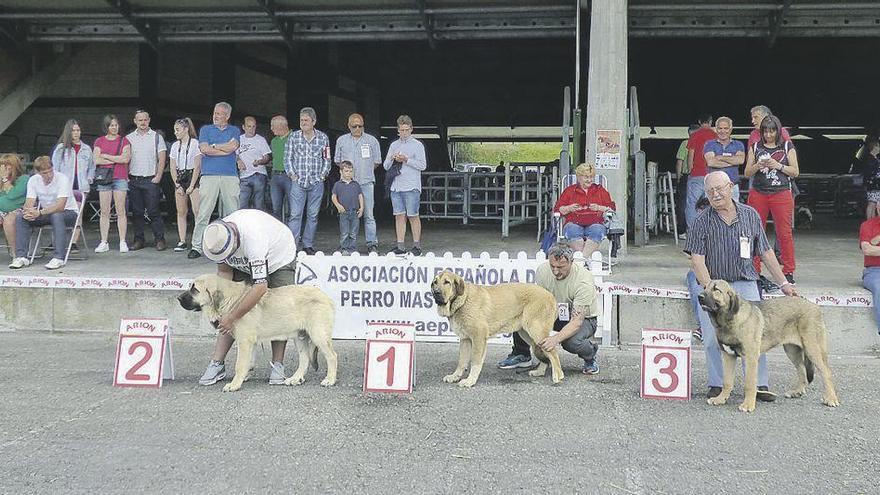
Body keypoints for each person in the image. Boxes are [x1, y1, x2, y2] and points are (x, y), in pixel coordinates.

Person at [685, 171, 796, 401]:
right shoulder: (700, 221)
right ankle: (717, 385)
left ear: (731, 187)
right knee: (711, 339)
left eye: (720, 189)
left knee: (754, 338)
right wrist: (711, 291)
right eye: (710, 191)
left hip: (745, 283)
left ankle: (759, 385)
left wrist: (783, 282)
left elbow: (765, 252)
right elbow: (697, 260)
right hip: (715, 286)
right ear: (706, 194)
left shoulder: (751, 215)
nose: (716, 194)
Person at [196, 209, 298, 386]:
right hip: (243, 265)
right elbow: (224, 273)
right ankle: (217, 363)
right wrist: (219, 309)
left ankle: (277, 365)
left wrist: (232, 317)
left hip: (278, 259)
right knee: (228, 311)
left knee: (278, 310)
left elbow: (260, 288)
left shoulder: (254, 238)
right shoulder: (216, 237)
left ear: (235, 240)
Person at [497, 243, 601, 375]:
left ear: (571, 262)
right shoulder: (542, 270)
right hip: (553, 311)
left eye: (561, 267)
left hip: (583, 318)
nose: (556, 271)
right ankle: (521, 354)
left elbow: (576, 322)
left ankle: (590, 355)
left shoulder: (583, 281)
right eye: (552, 266)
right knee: (522, 315)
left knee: (570, 342)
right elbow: (538, 301)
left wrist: (555, 339)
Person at [744, 114, 799, 284]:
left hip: (781, 193)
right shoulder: (755, 147)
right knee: (753, 232)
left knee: (784, 233)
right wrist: (757, 166)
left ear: (778, 131)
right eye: (765, 131)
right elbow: (746, 173)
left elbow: (795, 171)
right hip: (758, 193)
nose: (768, 135)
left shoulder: (787, 146)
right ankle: (754, 269)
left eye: (772, 131)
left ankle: (788, 270)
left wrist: (778, 166)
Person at [190, 102, 241, 259]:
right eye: (215, 113)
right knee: (204, 211)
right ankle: (197, 246)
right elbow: (204, 149)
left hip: (230, 175)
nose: (215, 116)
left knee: (233, 212)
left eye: (219, 114)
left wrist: (215, 147)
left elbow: (233, 147)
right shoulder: (205, 129)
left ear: (227, 116)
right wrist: (224, 150)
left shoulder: (235, 130)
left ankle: (234, 246)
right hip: (209, 175)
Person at [9, 156, 79, 270]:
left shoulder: (62, 179)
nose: (49, 175)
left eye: (50, 171)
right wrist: (28, 212)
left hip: (68, 212)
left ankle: (58, 258)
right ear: (38, 172)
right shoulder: (33, 180)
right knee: (21, 218)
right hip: (46, 213)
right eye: (45, 173)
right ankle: (21, 256)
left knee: (57, 216)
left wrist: (40, 213)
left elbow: (60, 206)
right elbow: (29, 202)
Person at [284, 107, 330, 255]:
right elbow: (287, 158)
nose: (303, 123)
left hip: (316, 182)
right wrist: (292, 175)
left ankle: (308, 245)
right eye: (301, 120)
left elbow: (327, 159)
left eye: (306, 120)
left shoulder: (323, 138)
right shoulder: (293, 137)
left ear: (313, 121)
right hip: (298, 182)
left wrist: (322, 176)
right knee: (295, 214)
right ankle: (292, 245)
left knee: (313, 215)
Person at [334, 113, 382, 252]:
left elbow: (377, 161)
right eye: (354, 126)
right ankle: (346, 245)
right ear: (348, 126)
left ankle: (372, 243)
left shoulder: (372, 141)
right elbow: (338, 161)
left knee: (368, 214)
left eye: (360, 126)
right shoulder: (341, 140)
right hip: (346, 185)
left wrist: (364, 170)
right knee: (345, 215)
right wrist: (348, 175)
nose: (357, 128)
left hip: (366, 182)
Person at [383, 114, 427, 256]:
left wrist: (406, 159)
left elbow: (423, 165)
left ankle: (416, 246)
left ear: (411, 129)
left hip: (411, 186)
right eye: (401, 130)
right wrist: (391, 157)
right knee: (399, 216)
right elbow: (385, 166)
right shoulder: (393, 145)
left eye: (407, 130)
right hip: (396, 186)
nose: (404, 133)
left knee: (413, 215)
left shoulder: (418, 145)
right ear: (397, 130)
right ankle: (400, 246)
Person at [126, 110, 167, 251]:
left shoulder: (156, 137)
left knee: (153, 211)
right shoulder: (129, 138)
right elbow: (126, 158)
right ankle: (139, 240)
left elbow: (162, 158)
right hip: (134, 179)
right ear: (135, 121)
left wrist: (159, 176)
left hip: (151, 180)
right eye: (140, 120)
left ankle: (159, 239)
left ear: (149, 120)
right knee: (136, 213)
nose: (143, 123)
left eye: (145, 120)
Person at [554, 162, 615, 258]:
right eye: (586, 177)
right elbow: (558, 210)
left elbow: (611, 209)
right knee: (572, 231)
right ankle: (585, 261)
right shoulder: (570, 191)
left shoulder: (600, 190)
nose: (589, 180)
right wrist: (569, 208)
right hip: (574, 222)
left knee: (598, 231)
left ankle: (580, 261)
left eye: (591, 177)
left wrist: (599, 208)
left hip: (596, 222)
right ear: (579, 177)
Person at [92, 114, 131, 253]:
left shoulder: (124, 141)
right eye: (111, 125)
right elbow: (96, 159)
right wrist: (116, 159)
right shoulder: (99, 141)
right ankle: (104, 241)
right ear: (106, 127)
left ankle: (122, 241)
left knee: (121, 211)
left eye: (116, 125)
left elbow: (126, 158)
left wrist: (106, 156)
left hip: (120, 177)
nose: (114, 127)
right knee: (104, 211)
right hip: (104, 178)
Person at [169, 117, 201, 252]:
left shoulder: (195, 143)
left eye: (178, 130)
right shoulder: (175, 146)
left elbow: (197, 166)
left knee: (197, 210)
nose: (175, 133)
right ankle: (182, 240)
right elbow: (172, 167)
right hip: (180, 177)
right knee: (181, 211)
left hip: (192, 176)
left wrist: (192, 185)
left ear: (186, 129)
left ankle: (198, 240)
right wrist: (177, 184)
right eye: (175, 130)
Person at [684, 114, 717, 233]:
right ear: (711, 121)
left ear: (699, 121)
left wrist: (690, 169)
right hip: (712, 174)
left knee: (692, 203)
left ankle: (693, 231)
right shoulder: (715, 135)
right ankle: (710, 229)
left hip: (697, 174)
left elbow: (690, 154)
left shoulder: (694, 135)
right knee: (711, 202)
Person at [685, 196, 711, 342]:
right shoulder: (696, 227)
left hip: (723, 270)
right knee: (697, 289)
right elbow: (691, 257)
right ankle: (703, 327)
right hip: (699, 269)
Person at [703, 116, 745, 201]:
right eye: (720, 128)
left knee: (732, 213)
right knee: (712, 213)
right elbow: (711, 162)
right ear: (716, 129)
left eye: (726, 128)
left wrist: (720, 157)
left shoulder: (738, 144)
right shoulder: (709, 144)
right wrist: (732, 161)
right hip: (713, 187)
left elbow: (740, 160)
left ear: (730, 129)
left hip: (732, 186)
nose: (723, 131)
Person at [51, 119, 94, 196]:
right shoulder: (60, 148)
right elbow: (55, 168)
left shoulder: (87, 149)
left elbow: (91, 167)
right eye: (73, 130)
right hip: (65, 184)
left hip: (82, 185)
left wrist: (89, 179)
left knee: (80, 207)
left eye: (78, 130)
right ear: (68, 132)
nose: (76, 133)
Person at [237, 116, 271, 210]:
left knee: (258, 205)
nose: (251, 129)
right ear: (243, 127)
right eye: (249, 126)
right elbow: (234, 154)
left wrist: (260, 161)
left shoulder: (260, 140)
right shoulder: (238, 139)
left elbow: (267, 157)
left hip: (258, 174)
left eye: (253, 126)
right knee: (242, 205)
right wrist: (238, 161)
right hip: (244, 175)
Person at [331, 161, 364, 254]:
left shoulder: (356, 184)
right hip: (343, 212)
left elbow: (360, 196)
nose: (349, 173)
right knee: (344, 232)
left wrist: (362, 208)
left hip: (354, 212)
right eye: (346, 171)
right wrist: (338, 206)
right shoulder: (338, 184)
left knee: (353, 232)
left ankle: (352, 248)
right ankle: (344, 248)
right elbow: (333, 196)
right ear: (341, 172)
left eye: (350, 171)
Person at [0, 154, 28, 255]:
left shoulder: (24, 179)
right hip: (2, 211)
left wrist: (4, 179)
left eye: (7, 165)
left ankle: (15, 253)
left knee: (8, 221)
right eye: (2, 165)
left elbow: (12, 195)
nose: (4, 168)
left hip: (18, 210)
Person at [675, 124, 700, 239]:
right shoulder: (704, 144)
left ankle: (682, 231)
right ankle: (699, 230)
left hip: (687, 176)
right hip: (702, 176)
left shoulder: (685, 143)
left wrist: (679, 176)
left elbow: (680, 162)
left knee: (683, 204)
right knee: (700, 204)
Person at [859, 214, 880, 335]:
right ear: (878, 208)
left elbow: (873, 246)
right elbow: (867, 249)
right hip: (875, 270)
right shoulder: (868, 225)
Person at [269, 115, 291, 223]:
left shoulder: (294, 137)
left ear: (281, 125)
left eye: (273, 126)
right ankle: (278, 234)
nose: (271, 128)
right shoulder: (273, 141)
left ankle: (292, 234)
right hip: (275, 175)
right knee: (275, 208)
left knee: (293, 207)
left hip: (290, 176)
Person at [857, 135, 880, 219]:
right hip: (873, 184)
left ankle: (872, 221)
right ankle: (870, 222)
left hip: (876, 183)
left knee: (874, 204)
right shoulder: (869, 158)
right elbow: (869, 171)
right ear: (875, 146)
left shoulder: (875, 158)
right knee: (872, 204)